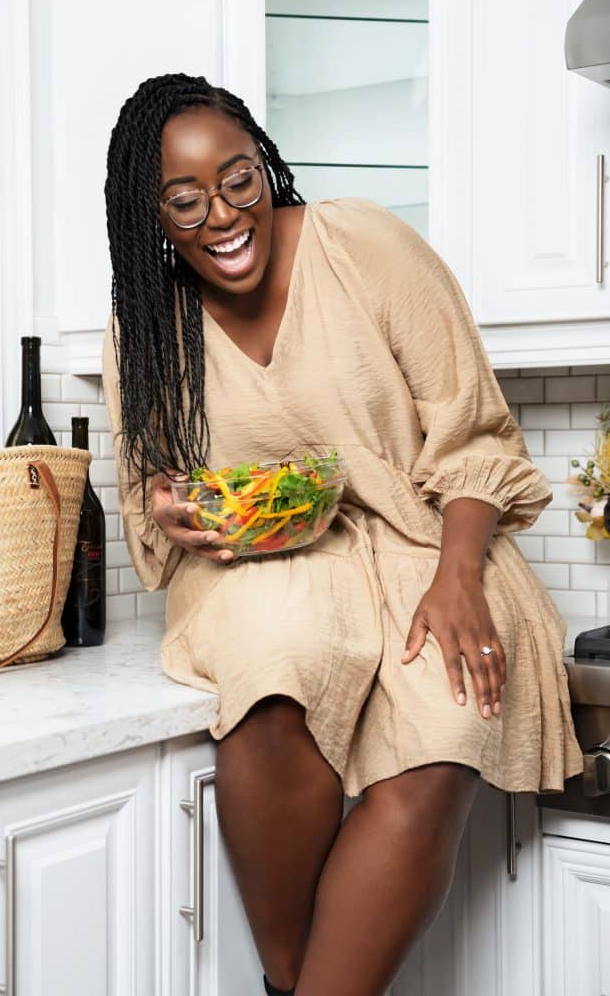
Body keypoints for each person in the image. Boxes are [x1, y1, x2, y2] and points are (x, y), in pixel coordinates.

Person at [101, 72, 582, 996]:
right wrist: (168, 508)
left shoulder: (359, 244)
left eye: (239, 180)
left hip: (427, 545)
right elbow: (150, 499)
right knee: (274, 676)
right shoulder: (144, 330)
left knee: (446, 729)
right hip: (261, 567)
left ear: (263, 164)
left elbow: (473, 428)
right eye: (186, 200)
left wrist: (459, 578)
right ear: (150, 214)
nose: (224, 215)